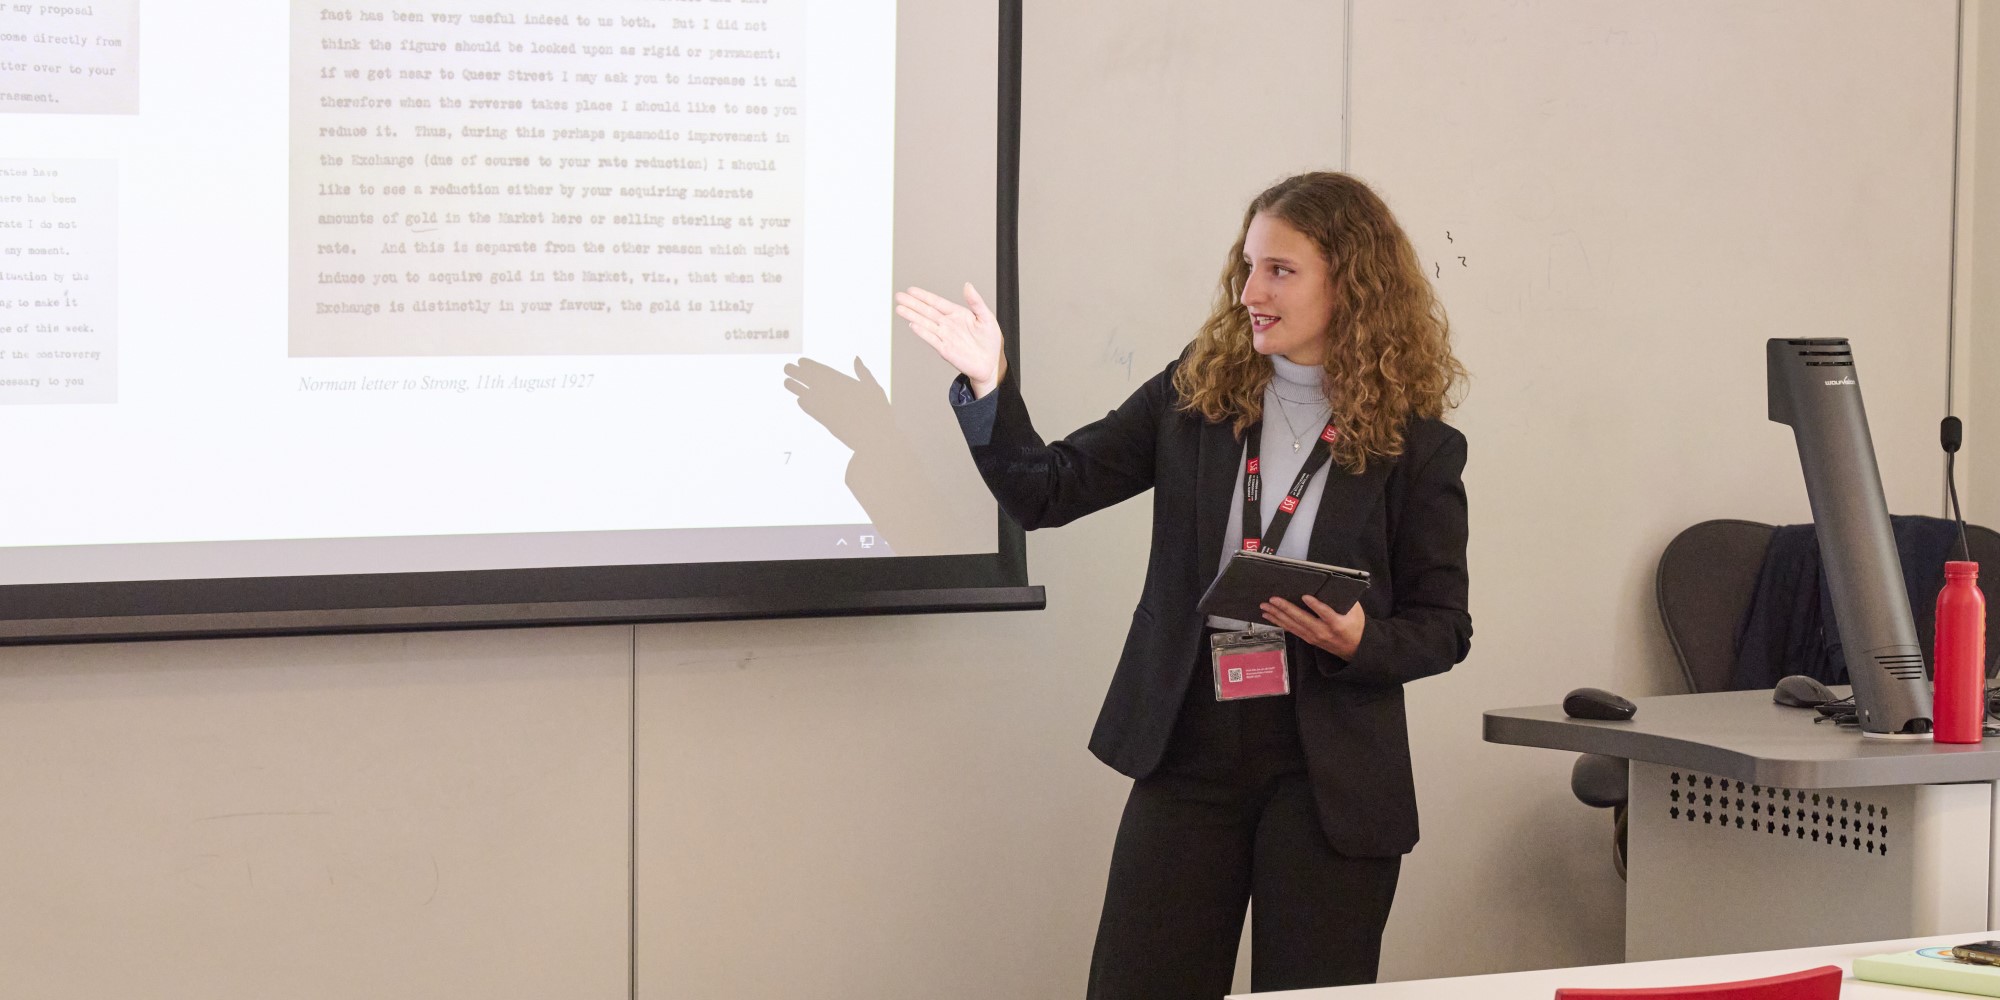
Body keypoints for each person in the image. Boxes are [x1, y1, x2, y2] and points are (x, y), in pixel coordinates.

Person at [894, 171, 1472, 999]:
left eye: (1280, 270)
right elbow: (1047, 489)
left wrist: (1361, 641)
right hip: (1189, 745)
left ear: (1351, 282)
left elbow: (1444, 625)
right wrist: (990, 384)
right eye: (1247, 267)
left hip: (1329, 770)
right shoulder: (1195, 394)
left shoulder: (1419, 447)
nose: (1250, 292)